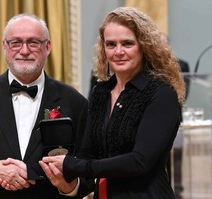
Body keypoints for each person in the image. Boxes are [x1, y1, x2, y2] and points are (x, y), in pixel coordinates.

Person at [40, 7, 186, 199]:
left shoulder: (161, 93)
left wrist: (73, 165)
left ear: (144, 46)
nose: (118, 52)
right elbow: (86, 154)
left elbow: (139, 161)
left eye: (127, 43)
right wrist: (67, 181)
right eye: (110, 44)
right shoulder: (100, 92)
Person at [0, 14, 94, 199]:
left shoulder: (75, 102)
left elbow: (89, 166)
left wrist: (70, 187)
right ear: (4, 47)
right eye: (16, 43)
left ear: (48, 47)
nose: (24, 50)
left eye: (33, 42)